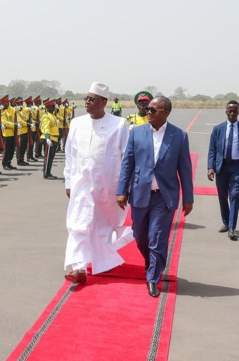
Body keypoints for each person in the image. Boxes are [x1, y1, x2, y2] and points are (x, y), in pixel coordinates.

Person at [117, 96, 194, 298]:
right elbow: (128, 164)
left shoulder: (179, 136)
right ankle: (152, 262)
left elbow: (185, 169)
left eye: (153, 110)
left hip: (164, 197)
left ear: (166, 112)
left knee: (157, 238)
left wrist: (188, 197)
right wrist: (121, 190)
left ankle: (153, 277)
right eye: (148, 109)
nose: (148, 112)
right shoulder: (137, 133)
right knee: (140, 235)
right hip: (140, 194)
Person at [63, 82, 131, 283]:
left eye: (91, 99)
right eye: (86, 98)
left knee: (102, 227)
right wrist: (68, 181)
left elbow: (126, 156)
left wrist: (123, 187)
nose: (87, 102)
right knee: (78, 225)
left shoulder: (118, 125)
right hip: (81, 185)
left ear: (103, 102)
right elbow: (70, 155)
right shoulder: (76, 123)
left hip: (107, 188)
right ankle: (79, 267)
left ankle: (102, 260)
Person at [207, 100, 239, 240]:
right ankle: (225, 222)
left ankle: (232, 227)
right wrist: (210, 167)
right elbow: (212, 150)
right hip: (221, 166)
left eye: (234, 111)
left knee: (235, 195)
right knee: (222, 195)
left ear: (238, 112)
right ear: (226, 112)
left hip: (236, 167)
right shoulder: (218, 129)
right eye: (229, 111)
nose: (232, 113)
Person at [40, 99, 61, 179]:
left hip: (54, 138)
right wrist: (47, 138)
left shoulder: (53, 115)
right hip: (50, 138)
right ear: (48, 107)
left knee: (51, 158)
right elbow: (46, 128)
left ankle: (49, 172)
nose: (54, 108)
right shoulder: (46, 116)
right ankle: (46, 174)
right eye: (53, 106)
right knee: (48, 158)